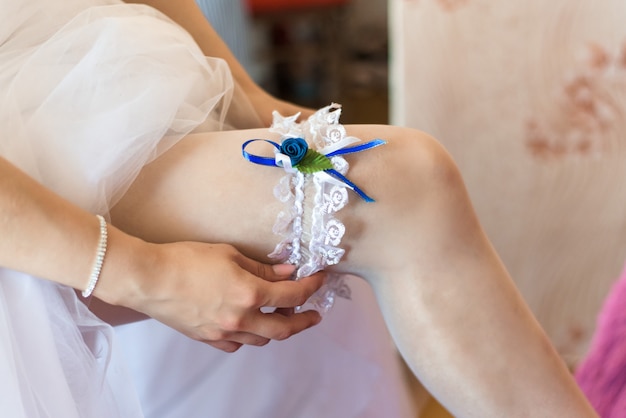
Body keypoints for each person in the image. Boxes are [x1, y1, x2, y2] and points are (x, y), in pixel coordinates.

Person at [0, 1, 598, 417]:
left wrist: (251, 103)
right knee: (403, 187)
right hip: (21, 173)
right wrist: (145, 275)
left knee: (349, 215)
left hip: (96, 91)